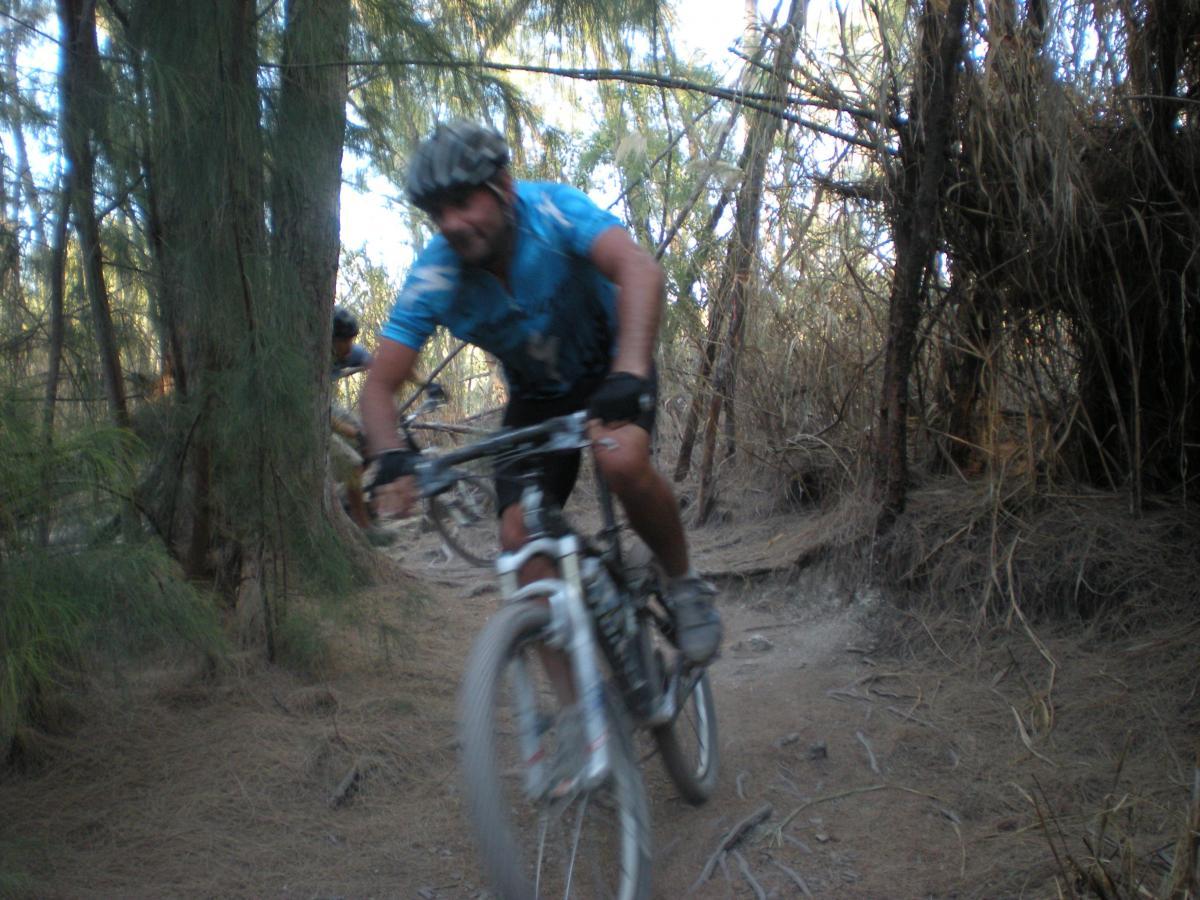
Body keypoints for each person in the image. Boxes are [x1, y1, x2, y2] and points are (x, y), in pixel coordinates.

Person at [359, 120, 721, 666]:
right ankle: (579, 719)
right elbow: (379, 385)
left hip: (613, 366)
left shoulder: (552, 212)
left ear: (503, 186)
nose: (452, 224)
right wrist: (389, 455)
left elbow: (639, 271)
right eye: (438, 213)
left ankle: (684, 585)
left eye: (463, 201)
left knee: (621, 462)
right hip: (539, 396)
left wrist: (628, 371)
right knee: (518, 535)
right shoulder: (436, 274)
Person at [330, 307, 390, 544]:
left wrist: (423, 383)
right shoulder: (315, 357)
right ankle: (365, 529)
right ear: (332, 341)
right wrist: (354, 432)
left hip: (329, 404)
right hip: (315, 413)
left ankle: (347, 497)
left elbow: (377, 365)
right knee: (354, 465)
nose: (350, 346)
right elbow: (322, 417)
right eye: (346, 341)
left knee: (370, 445)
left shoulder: (347, 352)